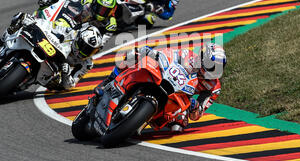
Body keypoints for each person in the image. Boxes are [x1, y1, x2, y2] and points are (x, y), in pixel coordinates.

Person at [93, 43, 226, 132]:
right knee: (134, 54)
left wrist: (195, 106)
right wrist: (153, 53)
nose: (214, 70)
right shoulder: (189, 56)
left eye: (219, 67)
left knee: (178, 126)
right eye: (212, 64)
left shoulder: (214, 87)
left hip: (180, 99)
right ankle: (109, 81)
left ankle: (143, 118)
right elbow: (168, 54)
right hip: (166, 80)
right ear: (204, 58)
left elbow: (197, 115)